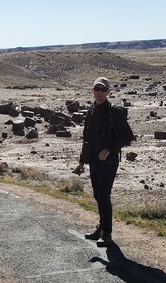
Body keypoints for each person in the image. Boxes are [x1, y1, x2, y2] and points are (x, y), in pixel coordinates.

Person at [72, 77, 134, 247]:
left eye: (103, 90)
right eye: (96, 89)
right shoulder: (91, 110)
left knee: (104, 196)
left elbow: (128, 136)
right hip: (93, 161)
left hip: (108, 162)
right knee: (98, 196)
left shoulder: (114, 111)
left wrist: (109, 150)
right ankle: (101, 228)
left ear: (108, 92)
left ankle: (107, 233)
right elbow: (87, 138)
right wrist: (82, 161)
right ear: (92, 90)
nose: (99, 93)